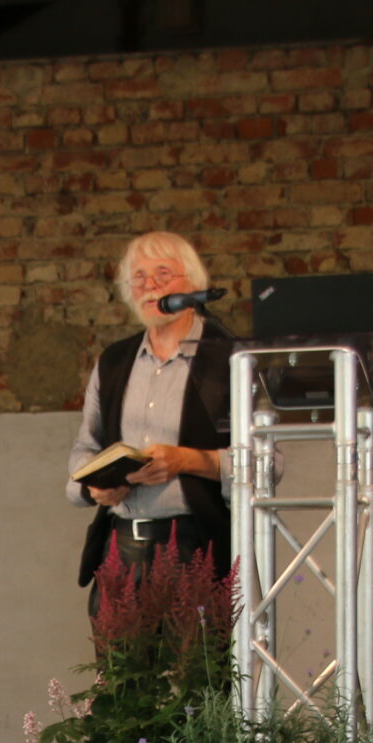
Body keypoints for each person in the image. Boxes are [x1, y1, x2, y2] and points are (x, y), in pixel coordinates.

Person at [66, 232, 248, 602]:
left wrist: (189, 461)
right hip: (121, 545)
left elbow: (268, 463)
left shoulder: (231, 358)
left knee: (199, 661)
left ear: (195, 284)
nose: (150, 286)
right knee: (119, 662)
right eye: (139, 277)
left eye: (163, 275)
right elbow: (86, 446)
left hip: (197, 545)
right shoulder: (114, 361)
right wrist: (92, 486)